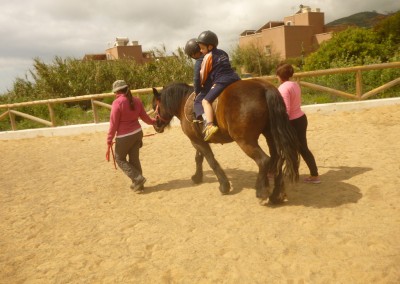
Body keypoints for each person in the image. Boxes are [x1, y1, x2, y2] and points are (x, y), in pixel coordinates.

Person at [107, 80, 156, 192]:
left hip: (124, 137)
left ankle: (138, 179)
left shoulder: (117, 103)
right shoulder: (137, 101)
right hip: (138, 133)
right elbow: (145, 118)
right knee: (134, 159)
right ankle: (139, 185)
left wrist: (109, 139)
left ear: (117, 91)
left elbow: (113, 124)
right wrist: (154, 122)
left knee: (119, 159)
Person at [276, 63, 321, 184]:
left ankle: (275, 172)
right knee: (303, 148)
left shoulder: (283, 88)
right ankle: (314, 174)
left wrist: (279, 123)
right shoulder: (295, 84)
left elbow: (286, 110)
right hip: (301, 118)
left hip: (292, 122)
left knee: (284, 147)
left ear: (279, 76)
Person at [196, 30, 241, 141]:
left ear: (210, 47)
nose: (201, 51)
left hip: (222, 80)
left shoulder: (208, 56)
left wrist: (202, 85)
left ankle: (210, 125)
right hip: (235, 77)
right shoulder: (223, 53)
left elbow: (203, 74)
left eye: (202, 48)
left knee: (205, 101)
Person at [184, 38, 212, 120]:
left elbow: (196, 79)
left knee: (198, 102)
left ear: (193, 54)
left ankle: (206, 121)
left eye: (191, 55)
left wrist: (197, 92)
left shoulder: (199, 61)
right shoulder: (211, 56)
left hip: (210, 86)